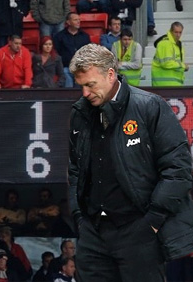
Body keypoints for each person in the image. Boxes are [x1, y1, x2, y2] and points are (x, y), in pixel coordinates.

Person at [68, 43, 193, 281]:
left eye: (90, 85)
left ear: (110, 74)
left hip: (139, 230)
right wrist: (79, 218)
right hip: (93, 233)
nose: (85, 93)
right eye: (81, 86)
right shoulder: (80, 113)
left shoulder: (149, 106)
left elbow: (178, 169)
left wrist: (152, 222)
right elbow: (75, 170)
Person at [53, 12, 90, 88]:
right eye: (75, 20)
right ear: (68, 22)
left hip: (80, 68)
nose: (78, 22)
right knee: (66, 75)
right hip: (65, 67)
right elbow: (57, 52)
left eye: (79, 20)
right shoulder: (59, 36)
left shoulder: (85, 36)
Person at [151, 21, 188, 86]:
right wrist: (183, 66)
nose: (178, 35)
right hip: (164, 85)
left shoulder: (177, 44)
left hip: (173, 84)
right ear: (171, 31)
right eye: (176, 32)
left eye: (180, 32)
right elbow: (166, 63)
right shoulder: (165, 43)